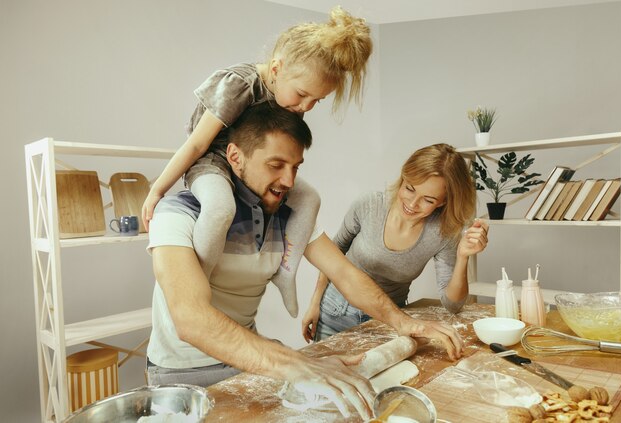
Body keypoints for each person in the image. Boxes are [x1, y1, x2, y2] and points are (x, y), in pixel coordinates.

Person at [146, 104, 463, 420]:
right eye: (276, 165)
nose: (288, 180)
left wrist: (403, 322)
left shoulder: (287, 218)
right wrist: (294, 362)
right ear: (234, 157)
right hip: (182, 376)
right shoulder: (176, 215)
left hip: (250, 363)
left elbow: (344, 272)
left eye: (295, 167)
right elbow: (190, 319)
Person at [141, 6, 373, 319]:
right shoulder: (240, 84)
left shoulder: (289, 100)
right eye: (303, 94)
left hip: (248, 167)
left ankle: (286, 273)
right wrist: (158, 189)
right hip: (213, 159)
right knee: (221, 207)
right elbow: (196, 143)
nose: (306, 106)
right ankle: (203, 284)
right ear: (276, 69)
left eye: (316, 101)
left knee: (310, 199)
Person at [302, 143, 490, 342]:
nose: (412, 204)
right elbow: (332, 253)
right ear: (403, 179)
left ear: (443, 201)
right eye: (409, 188)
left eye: (428, 199)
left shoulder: (443, 233)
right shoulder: (370, 205)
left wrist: (463, 257)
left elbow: (453, 305)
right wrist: (314, 304)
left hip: (388, 322)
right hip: (333, 313)